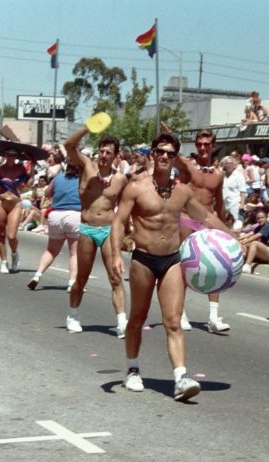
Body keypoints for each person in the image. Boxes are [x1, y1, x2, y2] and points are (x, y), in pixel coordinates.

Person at [110, 132, 229, 402]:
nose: (165, 157)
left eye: (170, 154)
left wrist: (231, 239)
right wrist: (117, 254)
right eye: (160, 152)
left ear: (176, 158)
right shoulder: (136, 187)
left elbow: (206, 216)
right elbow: (118, 222)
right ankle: (132, 369)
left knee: (173, 321)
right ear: (152, 154)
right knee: (137, 317)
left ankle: (180, 378)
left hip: (172, 259)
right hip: (143, 259)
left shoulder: (182, 192)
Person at [55, 129, 128, 336]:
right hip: (87, 228)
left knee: (115, 277)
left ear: (115, 156)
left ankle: (122, 321)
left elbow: (124, 207)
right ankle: (73, 315)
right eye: (101, 151)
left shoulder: (120, 179)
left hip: (108, 230)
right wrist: (87, 128)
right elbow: (69, 145)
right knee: (82, 278)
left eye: (108, 153)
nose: (104, 155)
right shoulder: (87, 167)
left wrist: (127, 232)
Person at [173, 130, 231, 334]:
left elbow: (220, 201)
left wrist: (225, 225)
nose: (203, 147)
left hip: (209, 221)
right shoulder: (188, 166)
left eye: (207, 144)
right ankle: (180, 312)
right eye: (199, 144)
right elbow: (175, 155)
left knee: (216, 267)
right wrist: (169, 137)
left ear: (213, 145)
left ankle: (214, 317)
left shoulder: (219, 173)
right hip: (187, 219)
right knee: (184, 266)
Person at [26, 163, 81, 295]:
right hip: (74, 215)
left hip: (56, 215)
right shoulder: (82, 179)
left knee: (51, 250)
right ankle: (72, 282)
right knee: (74, 253)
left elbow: (47, 193)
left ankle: (37, 275)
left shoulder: (59, 177)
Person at [0, 154, 32, 273]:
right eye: (8, 154)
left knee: (12, 235)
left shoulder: (20, 169)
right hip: (0, 202)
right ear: (5, 155)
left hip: (15, 203)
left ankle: (14, 254)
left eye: (13, 155)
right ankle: (4, 262)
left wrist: (32, 169)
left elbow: (28, 185)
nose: (11, 157)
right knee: (1, 233)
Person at [240, 208, 269, 272]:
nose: (260, 220)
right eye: (258, 218)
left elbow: (257, 235)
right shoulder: (259, 227)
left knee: (254, 243)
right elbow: (250, 234)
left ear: (266, 218)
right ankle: (241, 261)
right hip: (265, 251)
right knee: (247, 244)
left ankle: (247, 266)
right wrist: (238, 239)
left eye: (262, 218)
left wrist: (246, 241)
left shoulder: (268, 226)